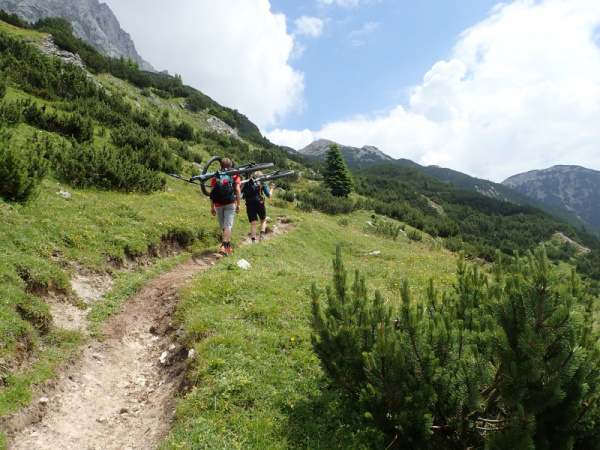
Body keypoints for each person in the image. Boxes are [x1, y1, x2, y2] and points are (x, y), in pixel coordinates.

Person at [210, 158, 241, 255]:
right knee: (228, 225)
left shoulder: (216, 176)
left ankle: (228, 245)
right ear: (230, 166)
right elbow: (237, 190)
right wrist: (239, 204)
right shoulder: (234, 175)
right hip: (230, 202)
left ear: (221, 166)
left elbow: (212, 193)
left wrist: (212, 207)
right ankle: (223, 245)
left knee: (225, 225)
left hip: (218, 204)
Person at [241, 171, 275, 243]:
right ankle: (261, 236)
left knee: (253, 223)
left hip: (249, 204)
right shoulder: (261, 183)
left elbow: (243, 196)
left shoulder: (247, 183)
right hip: (259, 203)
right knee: (263, 220)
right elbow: (268, 195)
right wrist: (271, 189)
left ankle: (253, 241)